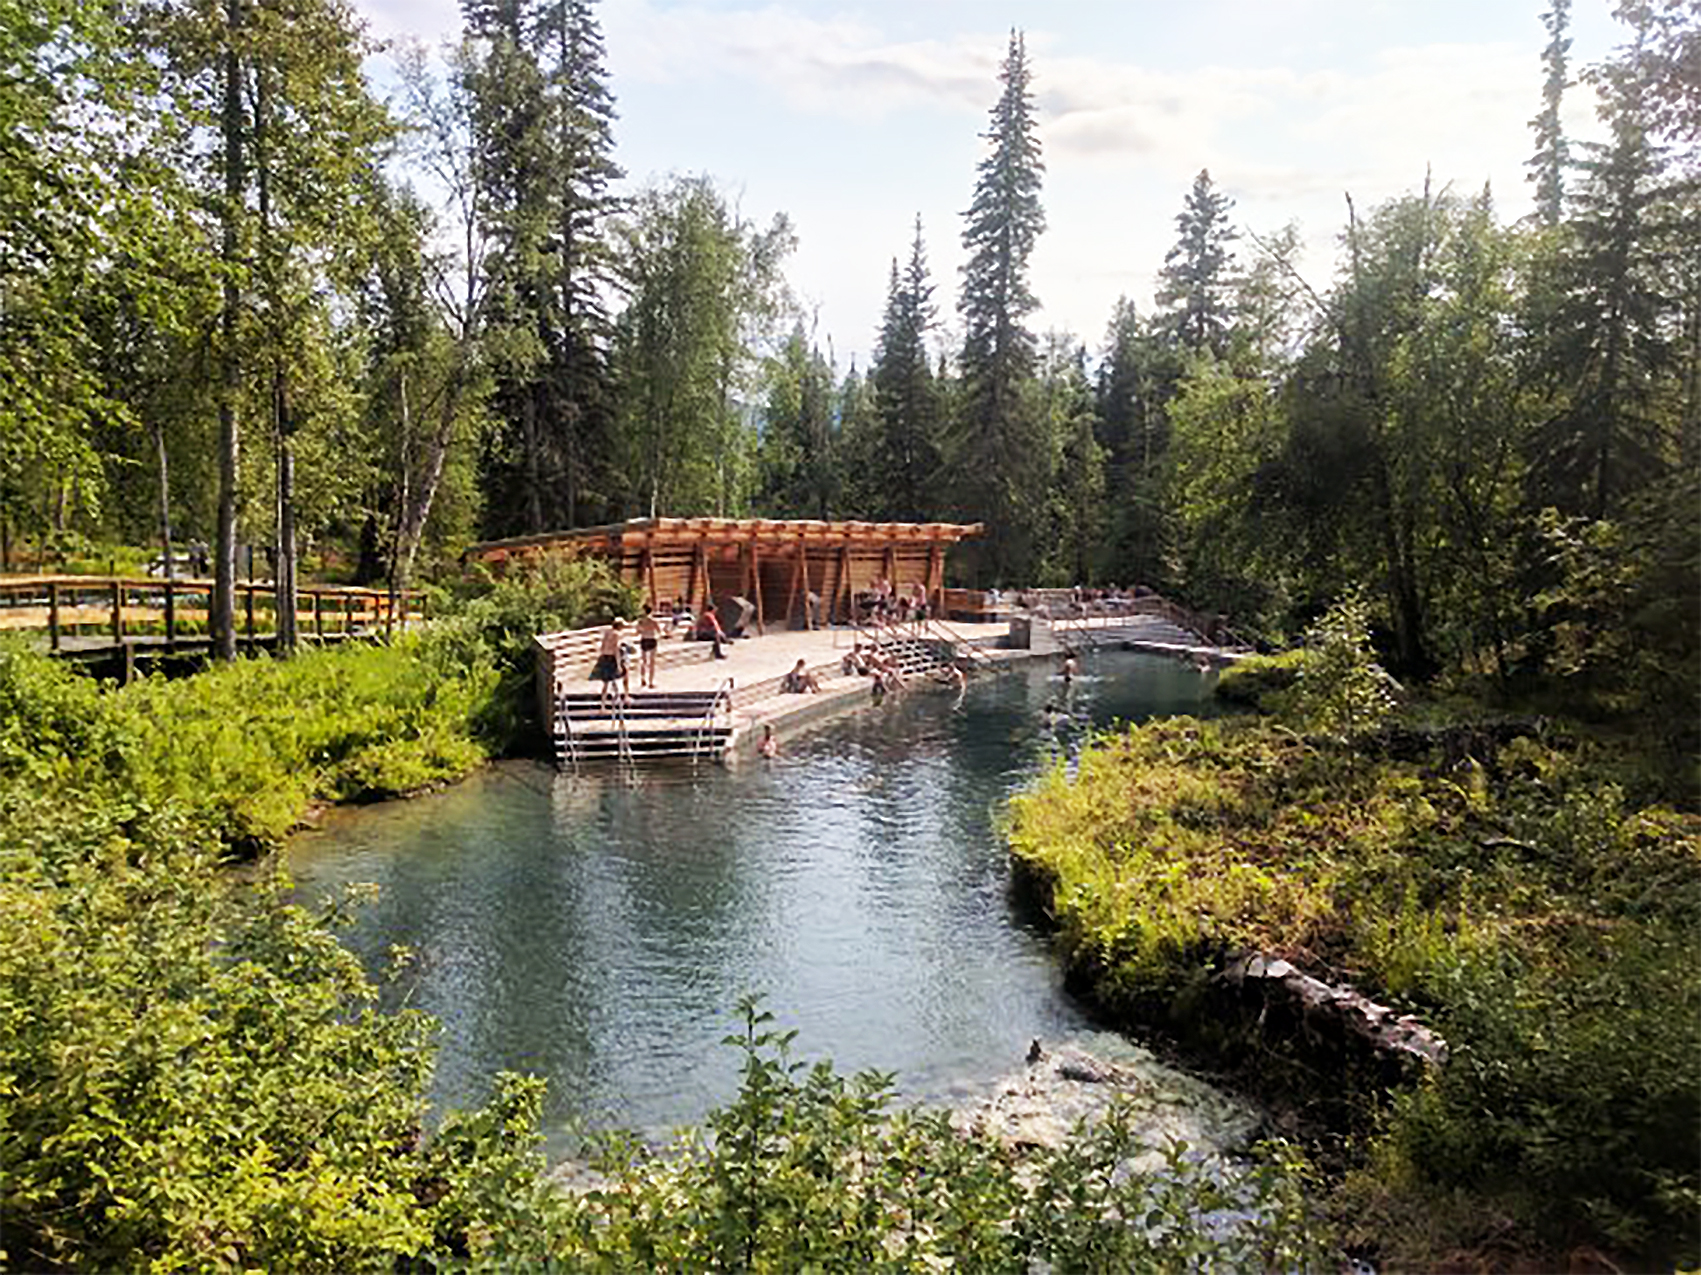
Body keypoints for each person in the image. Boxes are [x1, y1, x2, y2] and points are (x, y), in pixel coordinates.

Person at [592, 618, 629, 709]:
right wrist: (619, 663)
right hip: (612, 658)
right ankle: (624, 697)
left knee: (606, 683)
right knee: (624, 674)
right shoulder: (616, 634)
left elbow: (602, 646)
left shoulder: (607, 633)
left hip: (604, 657)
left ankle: (603, 705)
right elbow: (616, 649)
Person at [636, 610, 662, 688]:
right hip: (652, 639)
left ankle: (642, 679)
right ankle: (651, 682)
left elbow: (637, 632)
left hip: (644, 639)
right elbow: (659, 631)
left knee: (643, 661)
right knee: (652, 662)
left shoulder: (641, 621)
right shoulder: (654, 621)